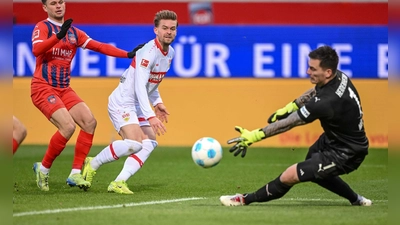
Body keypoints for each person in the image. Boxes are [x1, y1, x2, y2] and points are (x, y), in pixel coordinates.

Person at [220, 45, 372, 206]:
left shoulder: (327, 102)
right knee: (313, 167)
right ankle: (357, 200)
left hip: (347, 153)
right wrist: (290, 107)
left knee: (290, 175)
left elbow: (289, 123)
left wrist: (255, 136)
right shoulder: (339, 76)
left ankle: (243, 199)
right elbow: (315, 91)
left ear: (327, 72)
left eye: (313, 69)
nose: (308, 72)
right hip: (334, 139)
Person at [31, 0, 142, 191]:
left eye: (61, 2)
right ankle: (44, 169)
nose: (58, 6)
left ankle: (75, 173)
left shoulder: (75, 33)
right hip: (43, 87)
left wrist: (127, 54)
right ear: (45, 7)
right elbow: (36, 50)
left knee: (89, 122)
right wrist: (58, 35)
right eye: (53, 3)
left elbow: (99, 46)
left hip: (64, 88)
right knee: (67, 126)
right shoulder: (43, 27)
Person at [81, 10, 178, 194]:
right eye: (164, 28)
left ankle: (118, 182)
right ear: (155, 30)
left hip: (137, 104)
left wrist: (158, 102)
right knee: (135, 143)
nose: (169, 32)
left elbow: (152, 84)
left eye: (172, 28)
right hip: (123, 102)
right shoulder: (148, 52)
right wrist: (151, 116)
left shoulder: (170, 53)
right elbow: (140, 87)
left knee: (150, 142)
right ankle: (92, 163)